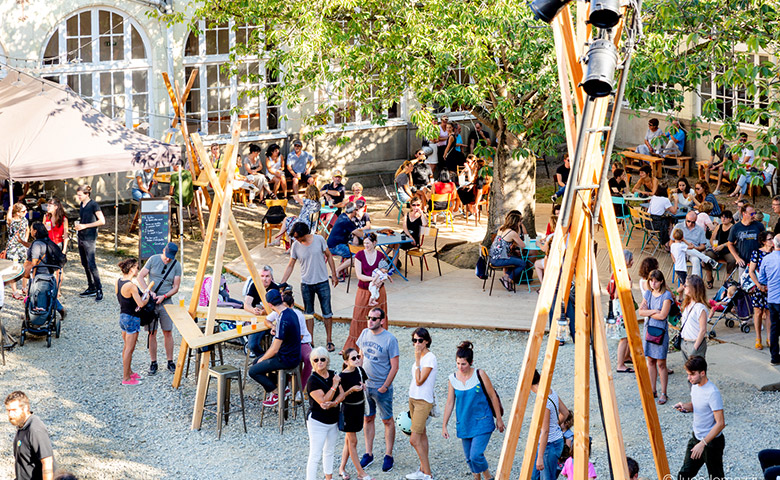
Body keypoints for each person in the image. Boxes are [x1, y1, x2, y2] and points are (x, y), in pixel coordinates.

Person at [441, 341, 504, 480]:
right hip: (464, 423)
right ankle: (478, 477)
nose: (460, 367)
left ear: (471, 362)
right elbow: (450, 402)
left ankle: (487, 477)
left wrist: (499, 419)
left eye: (463, 364)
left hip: (482, 421)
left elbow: (493, 396)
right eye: (458, 363)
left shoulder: (479, 374)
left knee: (476, 455)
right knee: (469, 459)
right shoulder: (452, 379)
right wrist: (444, 424)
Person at [280, 222, 339, 351]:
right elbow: (291, 265)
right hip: (306, 283)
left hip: (322, 281)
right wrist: (283, 282)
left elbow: (329, 255)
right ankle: (310, 341)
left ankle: (329, 341)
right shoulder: (296, 245)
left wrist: (334, 274)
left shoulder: (319, 240)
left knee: (327, 312)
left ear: (304, 234)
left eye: (297, 237)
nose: (296, 240)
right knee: (309, 313)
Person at [357, 307, 399, 473]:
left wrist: (385, 386)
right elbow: (361, 357)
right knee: (368, 418)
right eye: (369, 317)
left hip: (382, 387)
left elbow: (395, 366)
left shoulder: (390, 339)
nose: (370, 321)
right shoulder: (364, 333)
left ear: (382, 320)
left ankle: (388, 455)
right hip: (366, 386)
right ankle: (369, 453)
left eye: (374, 318)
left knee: (387, 420)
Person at [674, 356, 725, 480]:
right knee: (684, 474)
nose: (689, 378)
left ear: (702, 373)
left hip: (711, 443)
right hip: (696, 438)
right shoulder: (695, 386)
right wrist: (685, 406)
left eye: (692, 374)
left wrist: (703, 443)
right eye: (688, 374)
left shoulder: (713, 393)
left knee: (716, 477)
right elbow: (697, 405)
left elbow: (720, 423)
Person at [249, 290, 302, 407]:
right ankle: (283, 388)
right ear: (281, 299)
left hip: (287, 358)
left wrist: (262, 360)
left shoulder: (283, 319)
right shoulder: (289, 312)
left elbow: (274, 349)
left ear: (269, 305)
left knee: (253, 370)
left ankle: (278, 393)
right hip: (292, 354)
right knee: (255, 362)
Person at [136, 242, 182, 375]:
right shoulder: (153, 259)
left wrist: (164, 296)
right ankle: (153, 362)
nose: (167, 259)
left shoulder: (176, 265)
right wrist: (148, 291)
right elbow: (140, 276)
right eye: (166, 256)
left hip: (166, 302)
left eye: (170, 257)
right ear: (163, 251)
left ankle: (170, 361)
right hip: (151, 301)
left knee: (168, 331)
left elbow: (176, 287)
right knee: (152, 332)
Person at [305, 347, 348, 480]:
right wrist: (334, 386)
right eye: (316, 360)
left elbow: (342, 395)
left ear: (327, 360)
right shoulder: (312, 381)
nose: (319, 362)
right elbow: (323, 401)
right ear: (312, 362)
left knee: (329, 451)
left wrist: (334, 403)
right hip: (317, 422)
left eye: (322, 359)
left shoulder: (333, 374)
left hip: (333, 420)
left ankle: (328, 478)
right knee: (315, 455)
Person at [343, 234, 390, 353]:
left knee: (379, 317)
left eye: (368, 243)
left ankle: (378, 344)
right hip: (363, 290)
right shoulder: (359, 255)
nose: (366, 246)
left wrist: (380, 281)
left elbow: (384, 271)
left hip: (379, 290)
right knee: (359, 316)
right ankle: (354, 345)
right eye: (364, 243)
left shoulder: (380, 256)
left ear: (375, 243)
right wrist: (374, 280)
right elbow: (359, 275)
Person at [636, 269, 673, 405]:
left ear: (661, 281)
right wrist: (653, 311)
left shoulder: (667, 296)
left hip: (660, 331)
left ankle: (663, 392)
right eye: (651, 281)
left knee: (661, 363)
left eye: (656, 281)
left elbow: (663, 315)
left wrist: (648, 312)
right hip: (650, 329)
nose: (653, 283)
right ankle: (653, 389)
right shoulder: (648, 293)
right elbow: (641, 311)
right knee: (650, 361)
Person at [406, 328, 437, 480]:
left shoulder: (429, 358)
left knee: (414, 439)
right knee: (422, 435)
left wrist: (418, 359)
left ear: (426, 341)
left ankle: (428, 473)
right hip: (413, 399)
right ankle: (423, 469)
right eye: (414, 340)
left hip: (422, 401)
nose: (416, 344)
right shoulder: (422, 357)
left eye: (419, 340)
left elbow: (419, 381)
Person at [337, 348, 373, 480]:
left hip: (359, 408)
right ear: (346, 362)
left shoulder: (359, 370)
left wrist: (363, 386)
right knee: (353, 441)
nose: (357, 360)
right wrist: (351, 390)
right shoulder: (342, 377)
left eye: (358, 357)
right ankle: (360, 472)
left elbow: (364, 382)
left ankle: (342, 468)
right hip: (348, 410)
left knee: (349, 441)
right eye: (353, 358)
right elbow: (339, 398)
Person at [115, 257, 149, 385]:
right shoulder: (131, 286)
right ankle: (126, 378)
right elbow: (140, 303)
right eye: (135, 267)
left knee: (126, 347)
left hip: (123, 316)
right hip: (132, 318)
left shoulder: (118, 281)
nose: (137, 269)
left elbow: (120, 298)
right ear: (131, 269)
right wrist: (147, 297)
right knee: (130, 349)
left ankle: (129, 371)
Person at [529, 369, 569, 480]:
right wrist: (555, 425)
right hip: (553, 442)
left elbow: (545, 431)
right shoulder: (551, 391)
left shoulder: (543, 402)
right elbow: (565, 413)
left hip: (548, 446)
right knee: (533, 476)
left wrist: (540, 457)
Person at [5, 391, 54, 480]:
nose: (11, 415)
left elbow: (47, 462)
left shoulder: (35, 429)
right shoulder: (22, 425)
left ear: (25, 408)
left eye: (14, 410)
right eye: (8, 410)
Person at [25, 223, 65, 316]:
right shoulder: (47, 241)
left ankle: (34, 314)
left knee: (35, 294)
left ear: (35, 231)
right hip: (49, 273)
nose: (30, 231)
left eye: (31, 229)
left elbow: (34, 263)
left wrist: (33, 278)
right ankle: (60, 309)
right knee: (48, 294)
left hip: (39, 273)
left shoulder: (36, 244)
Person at [74, 185, 105, 302]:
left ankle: (99, 289)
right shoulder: (82, 204)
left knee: (92, 264)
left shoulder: (94, 205)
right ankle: (91, 286)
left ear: (87, 194)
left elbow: (102, 221)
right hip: (81, 236)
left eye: (80, 195)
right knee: (84, 263)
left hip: (90, 238)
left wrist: (85, 226)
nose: (78, 197)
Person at [243, 265, 282, 356]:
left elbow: (278, 307)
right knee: (252, 345)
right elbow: (246, 304)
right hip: (257, 322)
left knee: (280, 343)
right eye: (262, 276)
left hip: (272, 321)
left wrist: (265, 311)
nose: (264, 279)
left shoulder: (275, 288)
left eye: (267, 276)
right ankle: (264, 358)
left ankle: (269, 359)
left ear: (271, 278)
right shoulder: (254, 285)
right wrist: (253, 310)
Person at [672, 211, 719, 284]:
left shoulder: (700, 229)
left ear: (696, 220)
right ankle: (708, 259)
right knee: (687, 249)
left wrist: (694, 248)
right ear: (685, 219)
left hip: (693, 252)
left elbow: (703, 246)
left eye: (693, 222)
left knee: (696, 260)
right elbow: (671, 242)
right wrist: (673, 256)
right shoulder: (678, 227)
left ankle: (695, 283)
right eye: (688, 221)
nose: (690, 224)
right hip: (680, 252)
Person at [607, 249, 635, 373]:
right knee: (623, 337)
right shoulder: (622, 274)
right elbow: (618, 294)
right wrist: (629, 286)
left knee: (627, 334)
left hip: (616, 305)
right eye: (631, 259)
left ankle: (626, 356)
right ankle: (620, 364)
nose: (633, 262)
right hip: (620, 306)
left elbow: (609, 290)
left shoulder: (614, 273)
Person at [489, 211, 528, 291]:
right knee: (522, 263)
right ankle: (508, 279)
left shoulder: (501, 228)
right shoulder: (512, 233)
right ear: (516, 222)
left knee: (515, 259)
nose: (521, 223)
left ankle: (506, 277)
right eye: (520, 221)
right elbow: (523, 245)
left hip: (493, 257)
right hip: (499, 259)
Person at [757, 234, 780, 366]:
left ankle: (774, 357)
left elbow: (762, 280)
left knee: (774, 328)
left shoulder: (766, 259)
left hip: (772, 298)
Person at [748, 231, 773, 350]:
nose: (772, 241)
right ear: (763, 241)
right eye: (770, 239)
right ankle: (758, 338)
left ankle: (769, 337)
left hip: (772, 286)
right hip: (759, 286)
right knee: (758, 312)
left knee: (769, 312)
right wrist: (758, 285)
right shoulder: (757, 253)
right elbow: (751, 271)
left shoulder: (775, 253)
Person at [727, 202, 765, 276]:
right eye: (751, 214)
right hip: (743, 262)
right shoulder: (736, 227)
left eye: (754, 213)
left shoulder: (759, 226)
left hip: (758, 261)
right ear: (744, 213)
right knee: (743, 285)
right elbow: (730, 244)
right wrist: (737, 258)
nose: (754, 216)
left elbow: (765, 241)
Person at [679, 275, 709, 362]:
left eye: (686, 285)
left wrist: (695, 346)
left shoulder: (700, 307)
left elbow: (703, 329)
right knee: (690, 371)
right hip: (684, 341)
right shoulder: (688, 304)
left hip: (694, 342)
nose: (684, 287)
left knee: (696, 372)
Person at [327, 202, 360, 278]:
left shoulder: (342, 216)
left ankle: (343, 271)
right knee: (356, 256)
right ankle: (337, 271)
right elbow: (359, 233)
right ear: (353, 211)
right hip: (336, 247)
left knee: (349, 251)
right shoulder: (347, 221)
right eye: (356, 210)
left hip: (333, 244)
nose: (357, 211)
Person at [704, 210, 736, 283]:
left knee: (732, 260)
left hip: (728, 250)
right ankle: (709, 278)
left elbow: (734, 241)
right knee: (707, 256)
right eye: (722, 217)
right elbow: (712, 238)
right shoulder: (719, 226)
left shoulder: (733, 228)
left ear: (730, 219)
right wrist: (713, 245)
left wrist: (723, 245)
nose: (723, 219)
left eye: (726, 217)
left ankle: (727, 279)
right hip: (717, 249)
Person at [6, 202, 29, 300]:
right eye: (24, 211)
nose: (26, 212)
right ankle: (14, 291)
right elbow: (8, 218)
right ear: (18, 212)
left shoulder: (24, 220)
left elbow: (27, 230)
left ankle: (24, 287)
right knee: (14, 269)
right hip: (13, 248)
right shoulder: (11, 221)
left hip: (22, 247)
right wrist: (10, 209)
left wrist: (25, 241)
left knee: (25, 266)